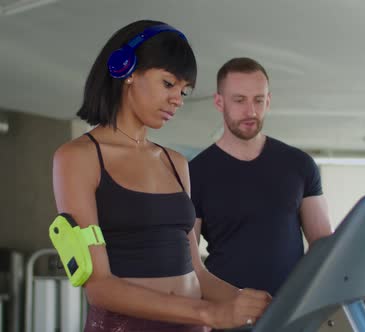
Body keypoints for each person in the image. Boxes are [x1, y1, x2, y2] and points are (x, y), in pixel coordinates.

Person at [52, 22, 270, 332]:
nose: (178, 100)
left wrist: (257, 306)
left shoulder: (176, 162)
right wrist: (209, 314)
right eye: (168, 84)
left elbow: (198, 272)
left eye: (183, 91)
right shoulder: (78, 157)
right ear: (126, 70)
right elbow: (99, 285)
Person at [189, 57, 333, 297]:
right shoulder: (195, 173)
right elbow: (188, 264)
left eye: (258, 100)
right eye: (239, 100)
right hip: (227, 314)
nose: (251, 111)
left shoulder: (299, 164)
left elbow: (323, 246)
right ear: (219, 102)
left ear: (268, 101)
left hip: (290, 313)